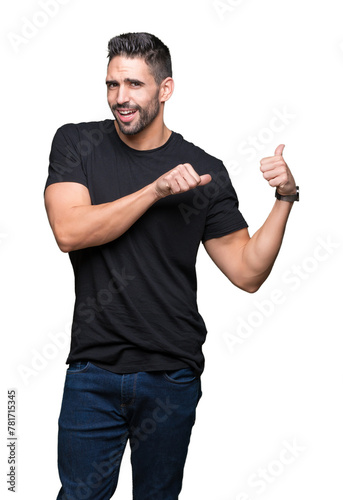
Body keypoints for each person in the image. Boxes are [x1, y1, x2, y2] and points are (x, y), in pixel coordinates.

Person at [44, 32, 299, 500]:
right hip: (92, 372)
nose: (120, 98)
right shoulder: (77, 143)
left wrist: (285, 198)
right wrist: (155, 191)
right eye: (112, 84)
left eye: (135, 85)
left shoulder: (204, 169)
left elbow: (247, 272)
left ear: (165, 89)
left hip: (171, 376)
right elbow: (70, 231)